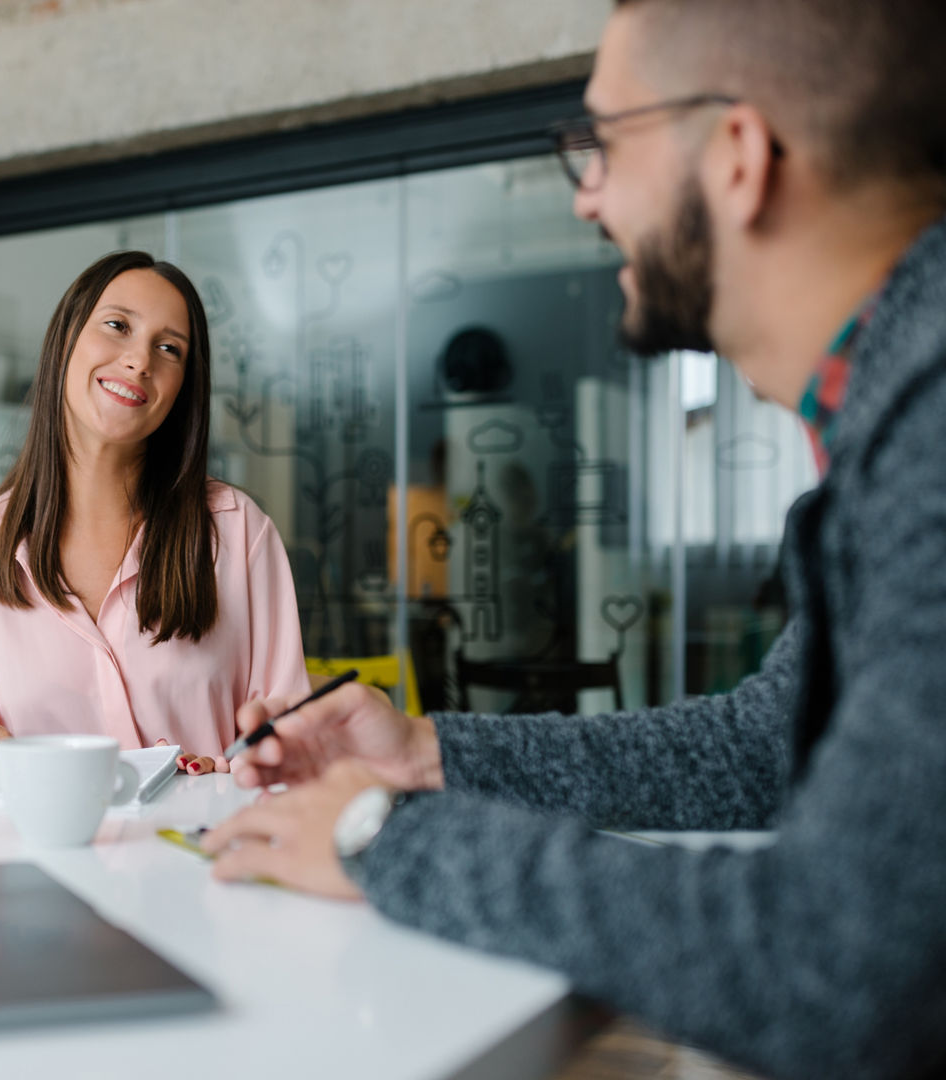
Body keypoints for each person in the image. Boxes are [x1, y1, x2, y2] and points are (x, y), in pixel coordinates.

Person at [202, 2, 946, 1077]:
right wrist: (425, 755)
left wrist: (384, 838)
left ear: (738, 155)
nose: (588, 193)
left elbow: (843, 960)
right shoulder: (895, 415)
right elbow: (754, 751)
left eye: (606, 140)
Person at [0, 251, 309, 773]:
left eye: (169, 348)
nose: (141, 360)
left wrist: (235, 774)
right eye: (117, 325)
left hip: (199, 848)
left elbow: (289, 744)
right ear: (65, 339)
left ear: (181, 389)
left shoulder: (237, 534)